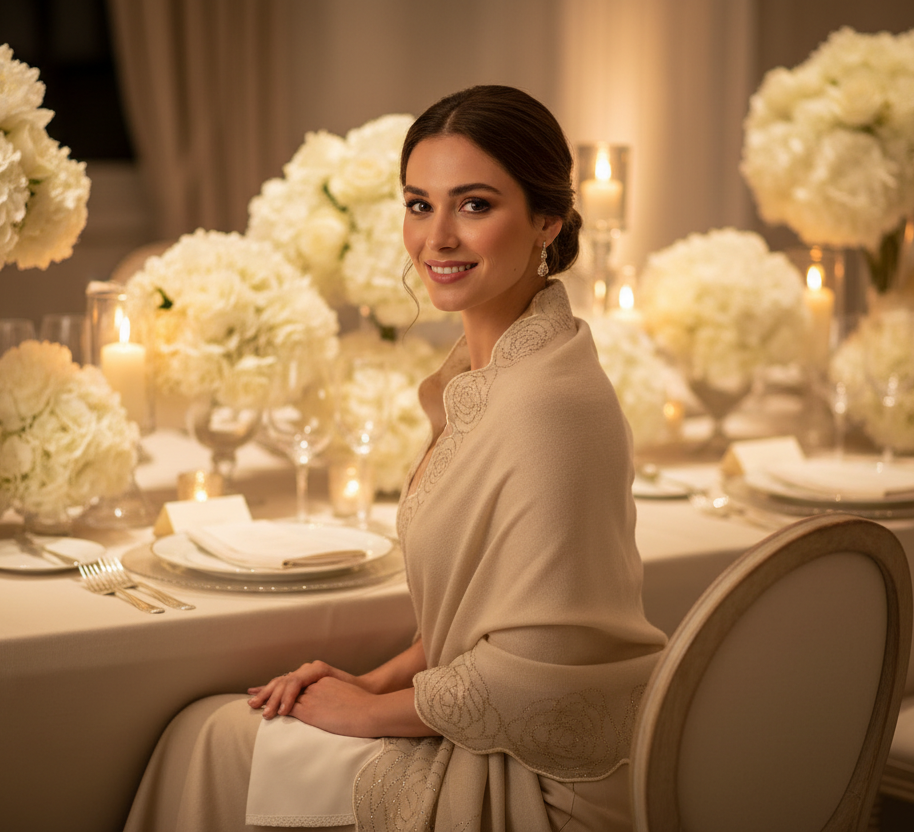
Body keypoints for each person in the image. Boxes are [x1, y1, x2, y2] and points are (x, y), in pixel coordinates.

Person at [123, 85, 668, 832]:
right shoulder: (502, 370)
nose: (436, 237)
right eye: (419, 204)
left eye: (474, 205)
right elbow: (486, 616)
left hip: (539, 782)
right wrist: (367, 679)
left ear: (548, 220)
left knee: (212, 735)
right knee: (213, 729)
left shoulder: (547, 403)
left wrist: (373, 711)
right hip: (496, 727)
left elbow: (544, 662)